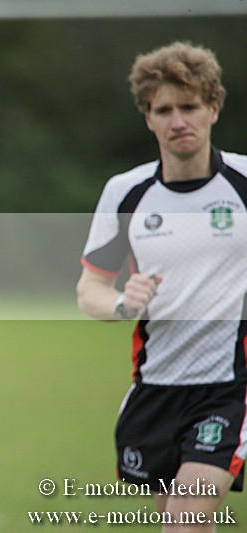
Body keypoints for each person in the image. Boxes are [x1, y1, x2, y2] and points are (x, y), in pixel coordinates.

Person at [76, 41, 246, 532]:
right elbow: (90, 290)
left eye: (189, 106)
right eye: (164, 110)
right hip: (155, 389)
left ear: (213, 108)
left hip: (228, 388)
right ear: (148, 118)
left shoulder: (242, 183)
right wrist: (124, 303)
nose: (178, 120)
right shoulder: (126, 193)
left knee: (184, 522)